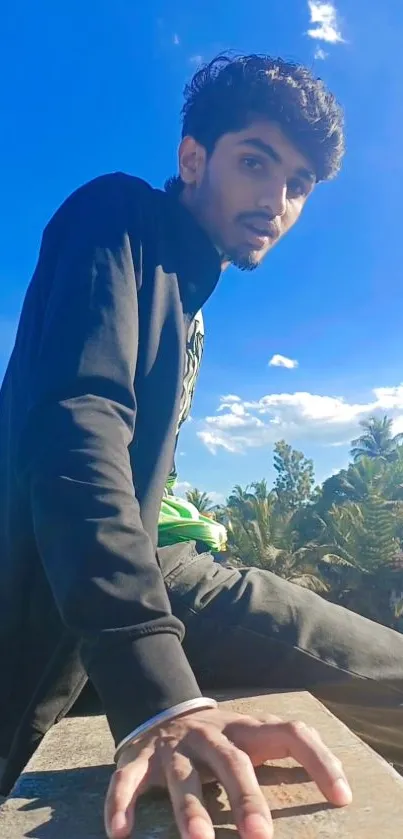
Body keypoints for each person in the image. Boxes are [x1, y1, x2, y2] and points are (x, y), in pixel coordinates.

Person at [1, 52, 402, 839]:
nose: (274, 199)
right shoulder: (115, 218)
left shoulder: (190, 304)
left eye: (297, 184)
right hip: (79, 584)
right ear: (192, 158)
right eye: (255, 162)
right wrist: (162, 698)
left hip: (163, 562)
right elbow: (75, 421)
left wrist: (174, 503)